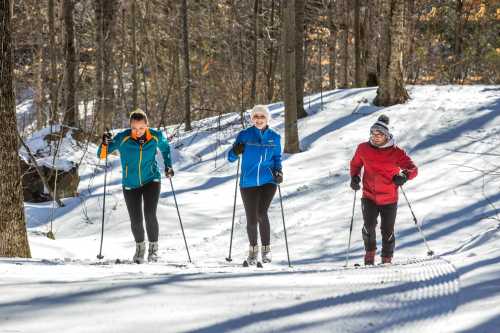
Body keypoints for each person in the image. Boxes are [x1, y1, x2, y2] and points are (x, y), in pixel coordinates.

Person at [97, 109, 174, 263]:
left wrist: (168, 166)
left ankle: (153, 250)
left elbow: (165, 148)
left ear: (147, 125)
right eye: (134, 128)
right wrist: (104, 143)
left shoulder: (155, 136)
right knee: (136, 220)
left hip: (151, 179)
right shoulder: (122, 138)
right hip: (130, 184)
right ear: (130, 126)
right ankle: (140, 248)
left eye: (141, 128)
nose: (137, 131)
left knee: (150, 215)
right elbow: (102, 154)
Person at [350, 115, 418, 265]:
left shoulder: (396, 152)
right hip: (369, 195)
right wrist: (354, 177)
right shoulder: (363, 148)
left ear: (386, 136)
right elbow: (355, 164)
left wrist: (404, 175)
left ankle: (387, 258)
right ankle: (369, 254)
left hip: (389, 198)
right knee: (368, 226)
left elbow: (413, 168)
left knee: (387, 230)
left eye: (379, 134)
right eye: (373, 134)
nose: (375, 137)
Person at [228, 105, 283, 264]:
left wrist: (279, 172)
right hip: (248, 182)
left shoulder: (275, 137)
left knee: (261, 213)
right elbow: (230, 158)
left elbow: (277, 158)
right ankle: (253, 252)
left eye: (262, 116)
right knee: (251, 219)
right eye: (256, 116)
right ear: (252, 119)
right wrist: (235, 151)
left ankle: (266, 251)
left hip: (268, 181)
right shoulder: (244, 135)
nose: (259, 119)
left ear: (267, 119)